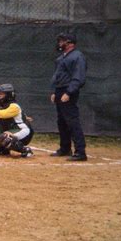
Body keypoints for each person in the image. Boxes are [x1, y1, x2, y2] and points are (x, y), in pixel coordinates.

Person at [50, 32, 88, 161]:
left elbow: (78, 77)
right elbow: (59, 77)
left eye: (62, 41)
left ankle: (80, 152)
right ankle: (65, 148)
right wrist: (55, 92)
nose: (60, 43)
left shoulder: (77, 56)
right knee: (61, 121)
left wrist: (69, 92)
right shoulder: (61, 58)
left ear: (70, 43)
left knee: (72, 121)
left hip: (68, 91)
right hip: (60, 90)